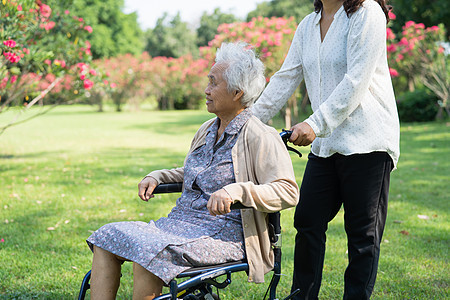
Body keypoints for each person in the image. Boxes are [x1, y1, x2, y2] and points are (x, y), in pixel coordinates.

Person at [86, 42, 299, 300]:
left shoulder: (260, 136)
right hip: (180, 224)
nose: (206, 90)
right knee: (107, 237)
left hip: (225, 235)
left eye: (213, 83)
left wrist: (236, 191)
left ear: (236, 92)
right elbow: (194, 172)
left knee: (148, 250)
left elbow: (287, 191)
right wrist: (159, 176)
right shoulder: (208, 129)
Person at [251, 0, 400, 299]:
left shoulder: (367, 12)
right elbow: (286, 76)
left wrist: (315, 123)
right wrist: (247, 122)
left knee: (362, 237)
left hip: (367, 140)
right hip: (326, 145)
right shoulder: (308, 24)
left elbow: (356, 80)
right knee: (307, 220)